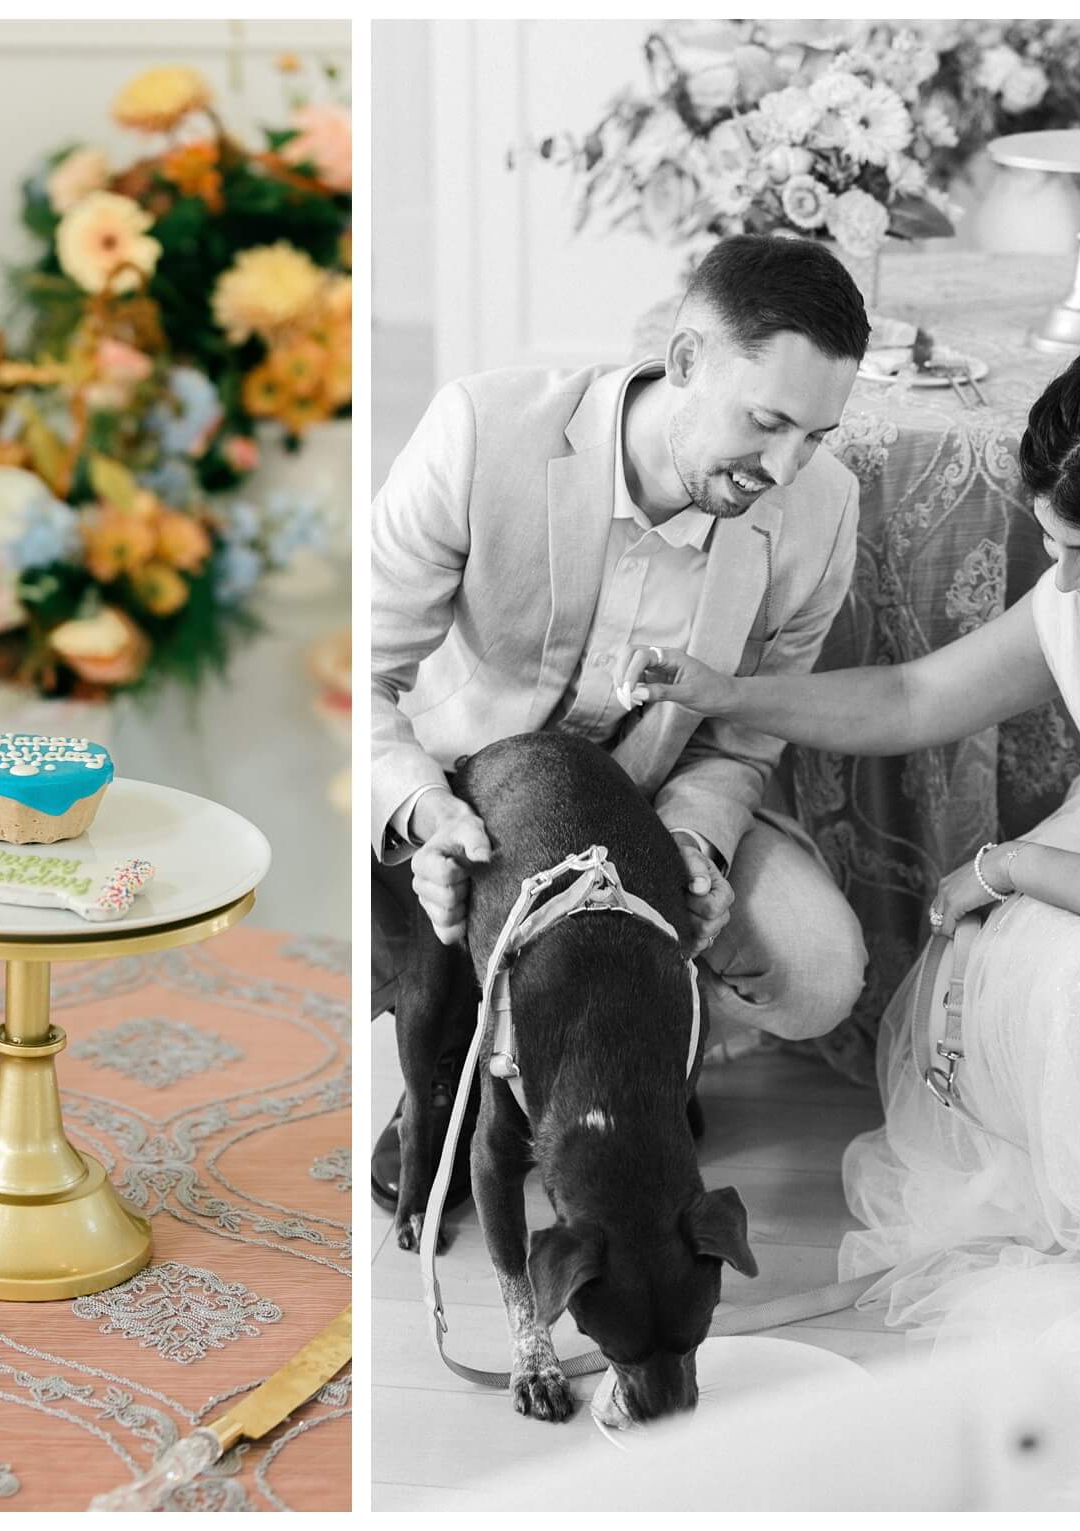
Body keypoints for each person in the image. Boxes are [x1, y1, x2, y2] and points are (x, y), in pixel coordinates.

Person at [616, 332, 1080, 1443]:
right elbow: (915, 697)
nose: (1064, 581)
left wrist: (1007, 865)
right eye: (1051, 542)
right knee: (1022, 960)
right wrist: (731, 692)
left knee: (1066, 971)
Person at [370, 234, 873, 1212]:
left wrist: (692, 846)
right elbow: (358, 678)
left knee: (818, 973)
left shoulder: (820, 509)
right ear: (684, 361)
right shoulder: (480, 428)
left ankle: (613, 1044)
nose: (783, 465)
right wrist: (424, 813)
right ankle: (477, 1049)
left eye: (813, 436)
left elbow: (740, 736)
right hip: (458, 785)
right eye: (765, 421)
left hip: (648, 800)